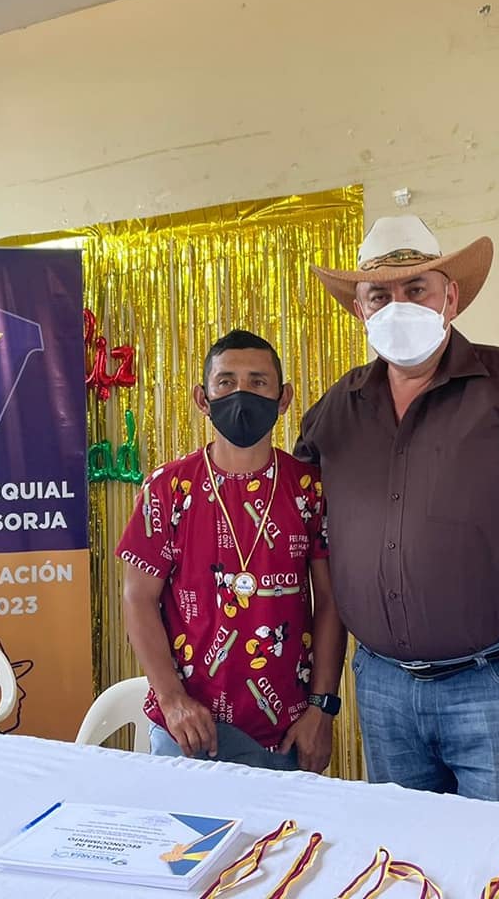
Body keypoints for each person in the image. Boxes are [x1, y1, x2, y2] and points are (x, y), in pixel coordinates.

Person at [295, 215, 499, 809]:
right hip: (384, 690)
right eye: (380, 295)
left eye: (416, 288)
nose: (398, 306)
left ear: (450, 297)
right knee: (408, 857)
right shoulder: (334, 412)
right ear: (360, 311)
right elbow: (295, 528)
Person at [118, 330, 346, 771]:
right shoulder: (167, 489)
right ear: (202, 399)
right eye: (226, 382)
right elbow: (137, 597)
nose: (242, 394)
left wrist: (322, 707)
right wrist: (172, 699)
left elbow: (331, 601)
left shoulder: (309, 489)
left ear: (283, 398)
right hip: (186, 727)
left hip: (287, 729)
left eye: (258, 382)